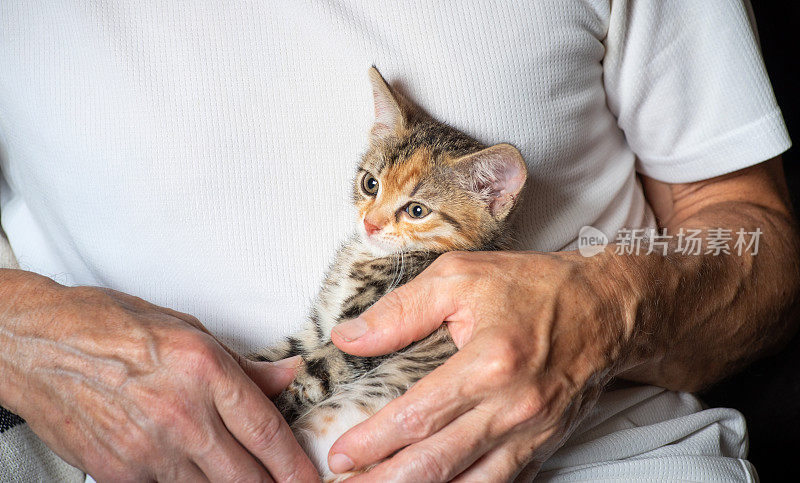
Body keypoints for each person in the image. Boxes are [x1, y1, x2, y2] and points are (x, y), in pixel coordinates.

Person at [0, 1, 797, 481]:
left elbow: (759, 238)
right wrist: (19, 336)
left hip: (583, 457)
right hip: (120, 458)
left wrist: (609, 308)